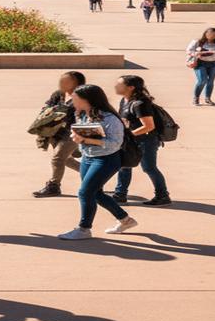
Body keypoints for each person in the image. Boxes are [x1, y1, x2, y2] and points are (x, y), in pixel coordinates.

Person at [57, 84, 136, 239]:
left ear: (88, 100)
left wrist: (86, 139)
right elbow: (81, 133)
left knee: (85, 192)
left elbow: (115, 143)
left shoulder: (110, 119)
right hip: (88, 157)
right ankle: (126, 220)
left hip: (106, 159)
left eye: (76, 100)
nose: (73, 103)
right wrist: (77, 137)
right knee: (96, 193)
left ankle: (84, 229)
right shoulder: (82, 114)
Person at [111, 75, 171, 206]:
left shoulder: (140, 103)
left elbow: (149, 126)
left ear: (130, 87)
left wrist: (129, 135)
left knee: (149, 168)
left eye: (119, 84)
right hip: (131, 140)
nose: (115, 86)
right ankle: (120, 194)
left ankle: (163, 195)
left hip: (146, 140)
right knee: (124, 165)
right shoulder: (124, 100)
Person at [32, 71, 87, 197]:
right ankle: (92, 176)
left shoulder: (83, 95)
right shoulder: (58, 94)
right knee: (66, 160)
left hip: (74, 131)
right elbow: (46, 107)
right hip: (55, 131)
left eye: (66, 81)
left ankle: (54, 186)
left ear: (77, 83)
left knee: (58, 158)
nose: (61, 83)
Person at [187, 28, 215, 106]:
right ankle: (196, 98)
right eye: (210, 34)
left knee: (210, 81)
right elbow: (189, 51)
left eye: (214, 35)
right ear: (205, 34)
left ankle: (208, 98)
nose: (212, 36)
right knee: (202, 80)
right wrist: (200, 53)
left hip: (214, 64)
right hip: (200, 63)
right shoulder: (198, 42)